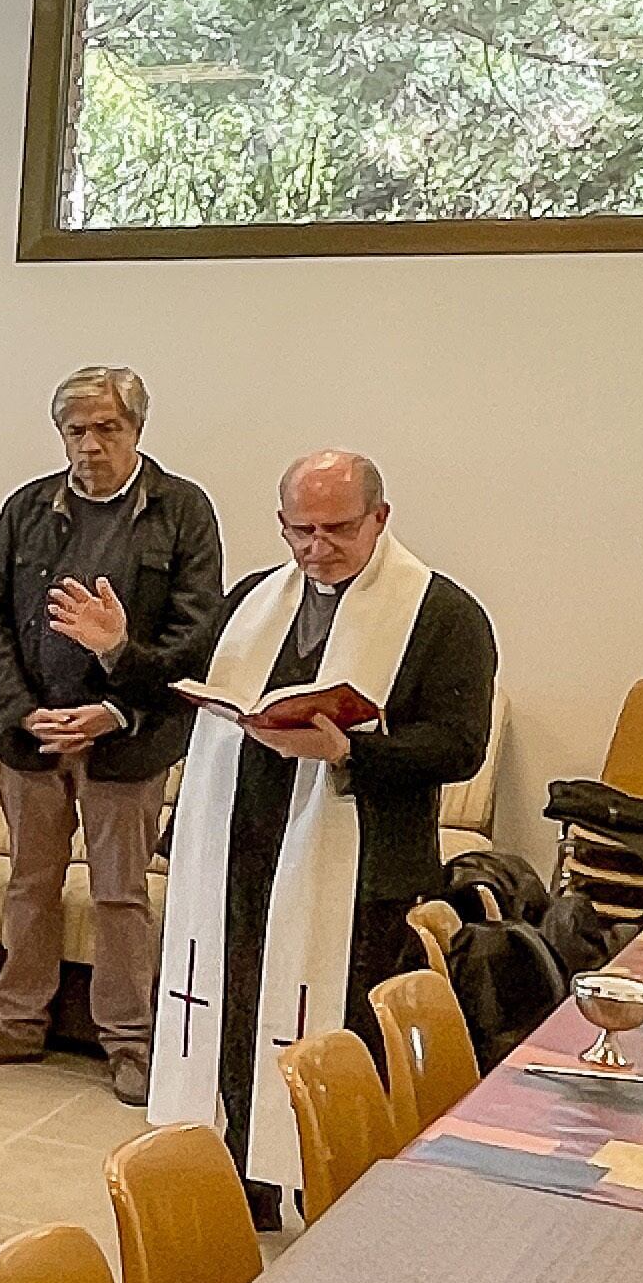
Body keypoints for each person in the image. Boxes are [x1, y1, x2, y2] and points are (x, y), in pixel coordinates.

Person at [139, 451, 495, 1231]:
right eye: (299, 530)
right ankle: (247, 1187)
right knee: (236, 1023)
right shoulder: (252, 601)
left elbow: (460, 745)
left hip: (364, 870)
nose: (315, 547)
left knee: (340, 1038)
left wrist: (350, 752)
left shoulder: (440, 614)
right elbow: (193, 690)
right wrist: (115, 652)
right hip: (244, 856)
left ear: (380, 518)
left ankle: (340, 1197)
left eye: (336, 528)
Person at [0, 367, 227, 1105]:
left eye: (107, 428)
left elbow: (194, 639)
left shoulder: (180, 511)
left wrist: (113, 708)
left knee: (118, 895)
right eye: (76, 430)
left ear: (137, 429)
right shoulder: (26, 509)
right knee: (29, 886)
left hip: (125, 742)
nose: (90, 445)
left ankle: (129, 1042)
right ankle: (16, 1022)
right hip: (33, 738)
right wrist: (21, 710)